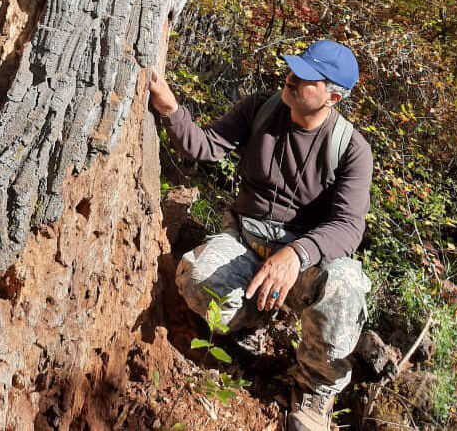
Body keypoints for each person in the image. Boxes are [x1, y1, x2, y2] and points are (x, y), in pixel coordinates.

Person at [148, 40, 373, 431]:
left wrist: (297, 254)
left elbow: (349, 226)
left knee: (345, 284)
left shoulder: (351, 148)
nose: (292, 77)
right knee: (195, 278)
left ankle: (316, 389)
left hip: (302, 262)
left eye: (306, 77)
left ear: (333, 96)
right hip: (246, 243)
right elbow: (206, 147)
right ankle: (251, 325)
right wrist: (170, 107)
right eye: (294, 68)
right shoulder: (262, 108)